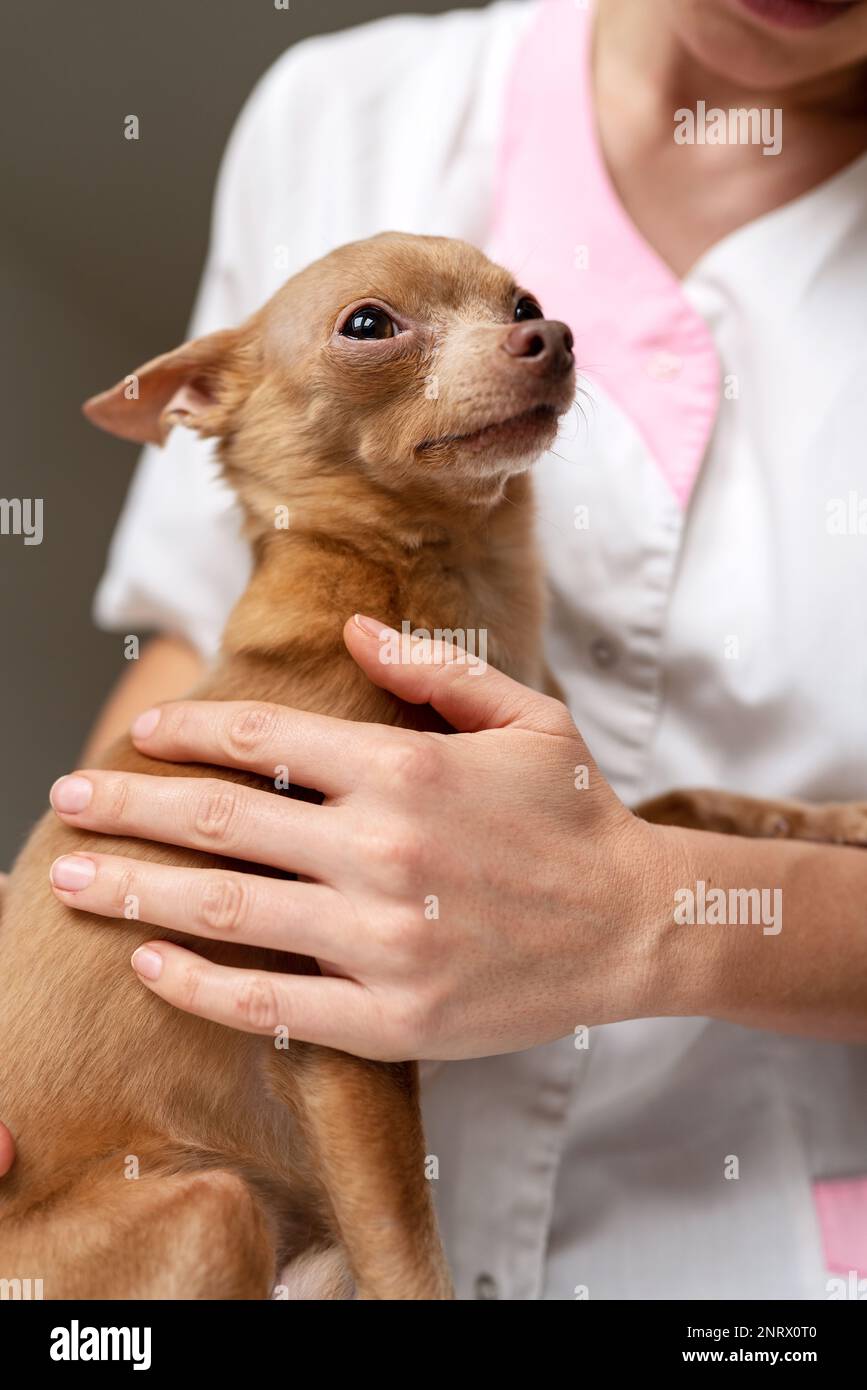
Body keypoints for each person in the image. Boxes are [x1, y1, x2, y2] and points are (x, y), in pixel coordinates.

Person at [4, 0, 867, 1299]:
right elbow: (200, 668)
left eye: (524, 310)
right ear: (193, 400)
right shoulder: (342, 108)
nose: (532, 339)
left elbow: (609, 851)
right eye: (375, 328)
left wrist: (663, 912)